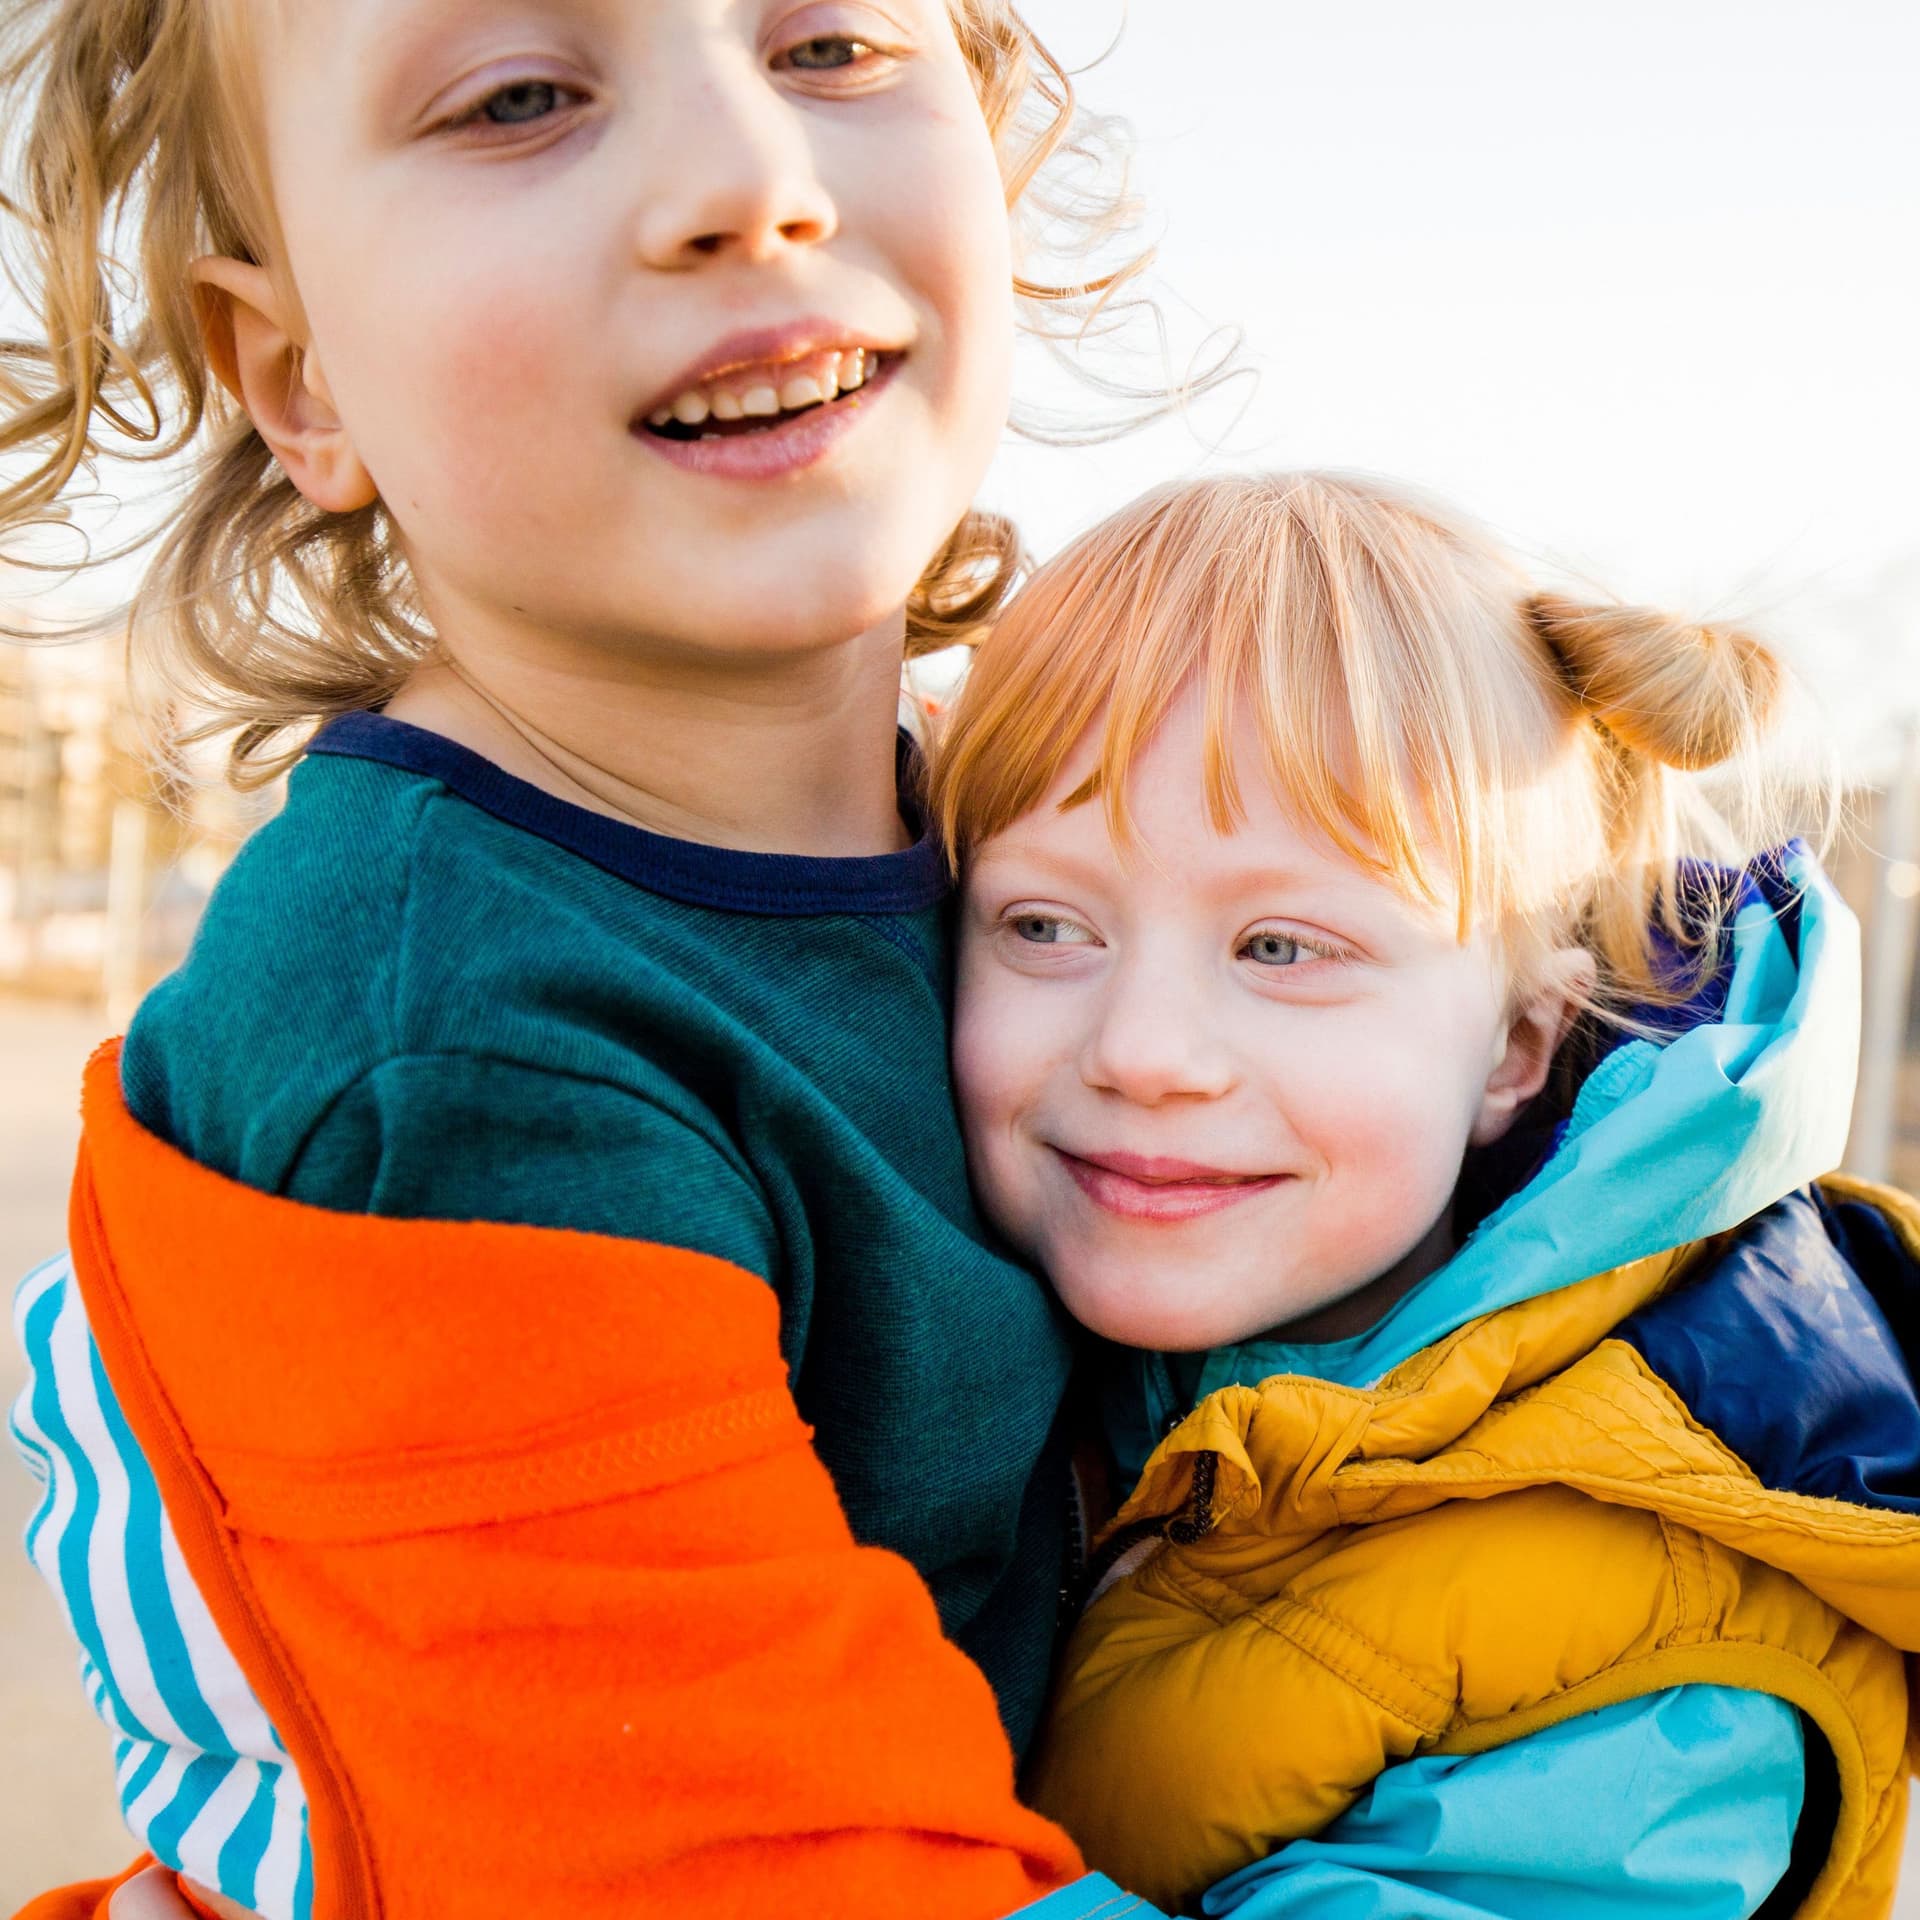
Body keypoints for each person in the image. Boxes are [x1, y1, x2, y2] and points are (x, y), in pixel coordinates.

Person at [0, 1, 1178, 1914]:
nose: (747, 184)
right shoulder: (458, 1045)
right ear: (301, 384)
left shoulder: (1032, 833)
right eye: (521, 97)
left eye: (832, 49)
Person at [930, 472, 1920, 1919]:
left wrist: (817, 1832)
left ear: (1517, 1045)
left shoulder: (1662, 1646)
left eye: (1281, 947)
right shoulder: (1080, 1362)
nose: (1141, 1052)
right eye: (1043, 923)